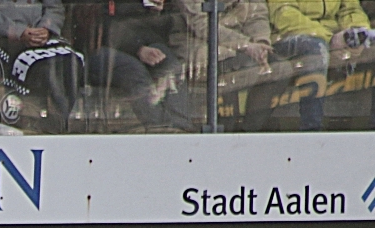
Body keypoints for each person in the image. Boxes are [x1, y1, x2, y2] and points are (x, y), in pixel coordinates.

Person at [178, 0, 330, 129]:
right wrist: (244, 44)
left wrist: (260, 43)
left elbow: (257, 15)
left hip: (244, 46)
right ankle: (225, 132)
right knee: (229, 74)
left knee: (280, 69)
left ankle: (251, 130)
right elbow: (200, 24)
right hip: (201, 44)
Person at [0, 0, 84, 132]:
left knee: (70, 60)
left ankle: (57, 124)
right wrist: (17, 31)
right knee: (44, 68)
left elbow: (55, 7)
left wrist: (46, 28)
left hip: (43, 36)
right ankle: (31, 124)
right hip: (3, 36)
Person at [89, 0, 197, 130]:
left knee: (170, 65)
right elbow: (97, 25)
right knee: (133, 70)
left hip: (144, 41)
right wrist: (138, 48)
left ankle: (181, 129)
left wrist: (159, 12)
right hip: (97, 48)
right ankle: (158, 128)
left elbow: (163, 28)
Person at [267, 0, 375, 129]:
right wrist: (330, 39)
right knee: (315, 48)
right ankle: (311, 129)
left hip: (334, 37)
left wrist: (355, 35)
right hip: (289, 36)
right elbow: (284, 14)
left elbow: (351, 9)